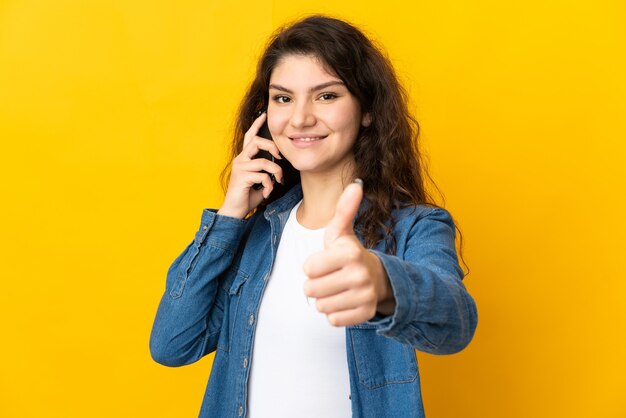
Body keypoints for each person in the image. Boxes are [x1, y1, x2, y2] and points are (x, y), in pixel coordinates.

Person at [149, 15, 478, 418]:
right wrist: (230, 214)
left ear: (367, 110)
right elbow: (171, 345)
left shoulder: (415, 227)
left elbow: (456, 323)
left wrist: (382, 283)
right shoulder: (255, 236)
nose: (300, 118)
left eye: (326, 96)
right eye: (283, 98)